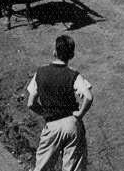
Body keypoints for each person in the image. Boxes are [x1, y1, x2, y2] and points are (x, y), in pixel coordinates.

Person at [26, 34, 93, 171]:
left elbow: (31, 103)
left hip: (52, 125)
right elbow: (88, 97)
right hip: (72, 124)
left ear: (54, 52)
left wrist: (45, 113)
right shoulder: (73, 74)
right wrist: (79, 114)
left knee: (42, 167)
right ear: (72, 55)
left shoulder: (40, 73)